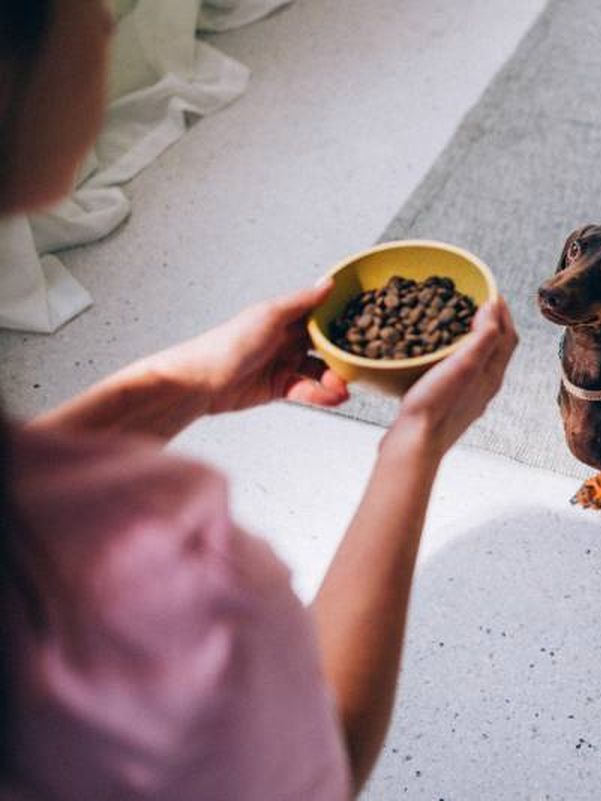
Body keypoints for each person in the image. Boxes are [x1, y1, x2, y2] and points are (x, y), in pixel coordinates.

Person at [0, 1, 518, 798]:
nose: (107, 22)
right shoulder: (160, 585)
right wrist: (413, 442)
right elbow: (321, 756)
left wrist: (177, 385)